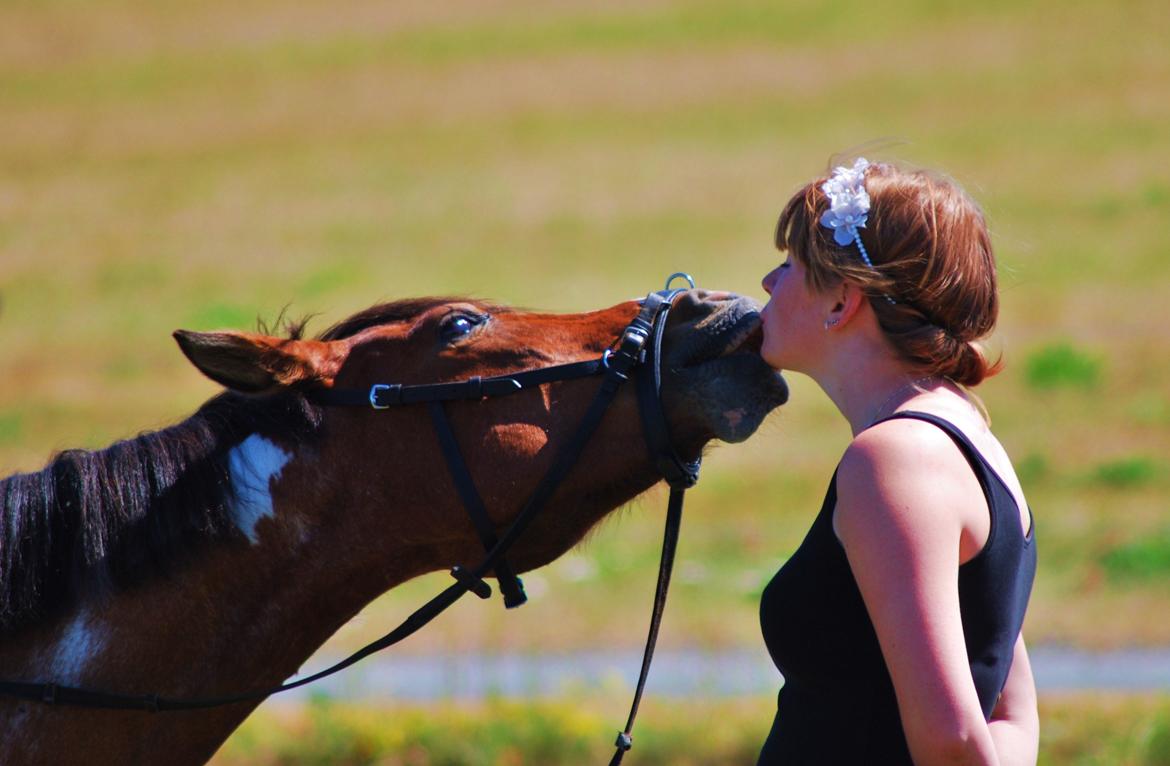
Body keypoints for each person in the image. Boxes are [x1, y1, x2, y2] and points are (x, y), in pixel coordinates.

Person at [755, 157, 1038, 765]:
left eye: (790, 266)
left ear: (841, 303)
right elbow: (1009, 719)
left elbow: (954, 745)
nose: (767, 284)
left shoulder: (895, 461)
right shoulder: (963, 432)